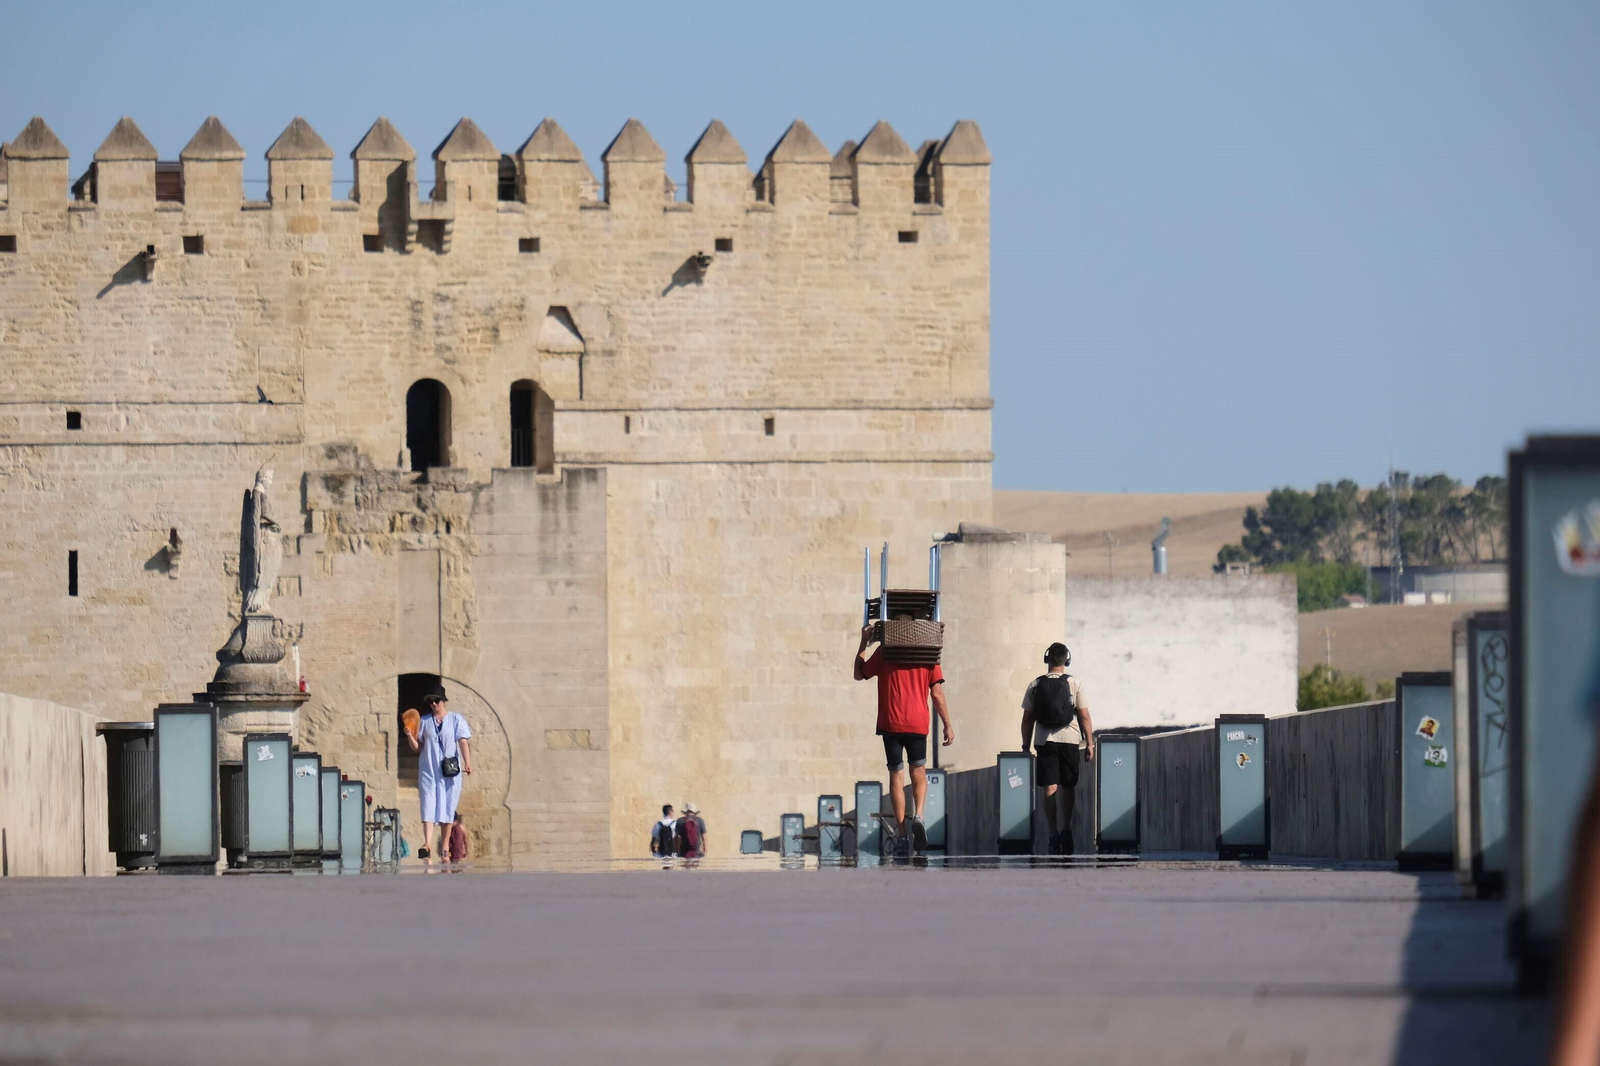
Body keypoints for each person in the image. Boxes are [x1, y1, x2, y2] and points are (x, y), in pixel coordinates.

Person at [854, 620, 955, 854]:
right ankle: (918, 815)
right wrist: (948, 725)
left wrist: (864, 640)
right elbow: (937, 693)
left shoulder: (884, 653)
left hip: (891, 722)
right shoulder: (927, 654)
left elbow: (859, 674)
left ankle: (901, 836)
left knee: (896, 777)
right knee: (919, 772)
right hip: (918, 723)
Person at [1020, 642, 1094, 855]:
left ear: (1047, 659)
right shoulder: (1074, 683)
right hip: (1070, 740)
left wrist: (1026, 745)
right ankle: (1066, 829)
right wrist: (1089, 743)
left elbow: (1028, 719)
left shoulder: (1035, 684)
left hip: (1045, 741)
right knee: (1068, 786)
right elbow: (1084, 715)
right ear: (1066, 660)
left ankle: (1052, 833)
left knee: (1049, 787)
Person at [405, 682, 472, 866]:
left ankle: (444, 850)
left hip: (450, 772)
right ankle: (426, 844)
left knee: (447, 809)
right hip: (429, 771)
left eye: (437, 701)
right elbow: (418, 748)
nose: (434, 704)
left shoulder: (456, 719)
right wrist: (410, 736)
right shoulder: (424, 722)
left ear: (443, 701)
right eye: (431, 702)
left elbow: (463, 741)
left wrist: (468, 762)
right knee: (428, 805)